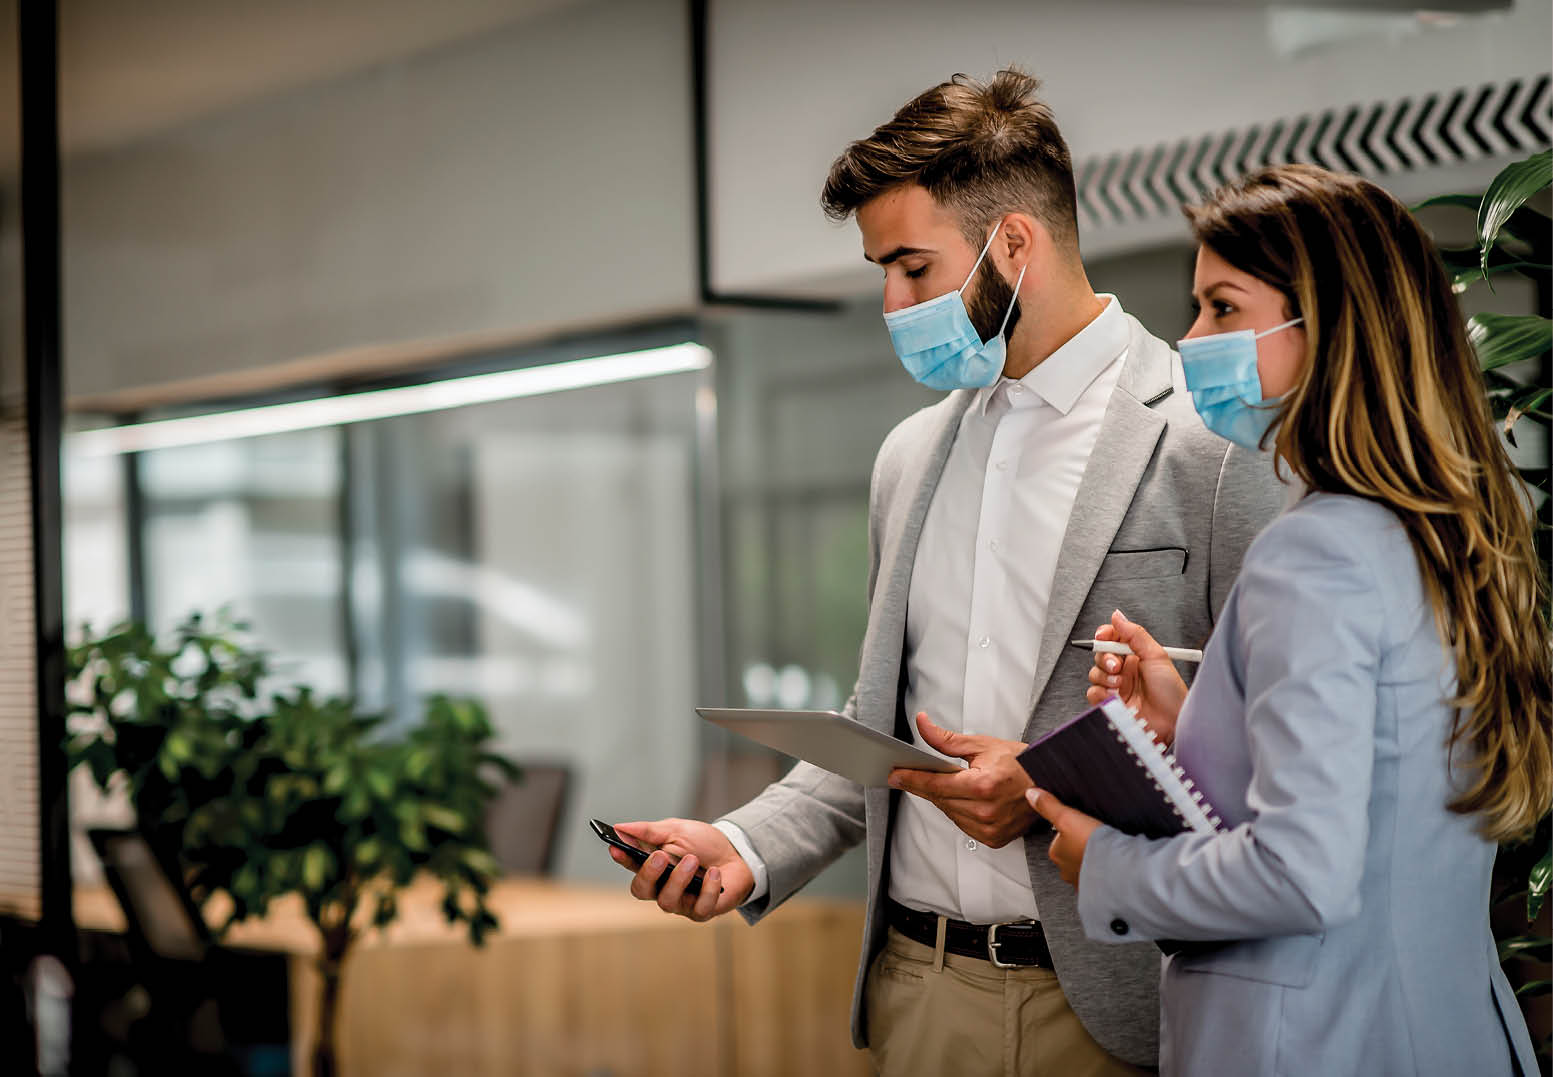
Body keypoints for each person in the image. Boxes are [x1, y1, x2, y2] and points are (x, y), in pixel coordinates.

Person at [610, 69, 1282, 1075]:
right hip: (916, 990)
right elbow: (881, 730)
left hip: (1117, 1002)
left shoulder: (1212, 441)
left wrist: (1052, 786)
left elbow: (1278, 741)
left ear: (1013, 242)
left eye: (913, 268)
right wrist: (741, 847)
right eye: (883, 270)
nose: (891, 302)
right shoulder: (909, 457)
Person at [1030, 163, 1548, 1076]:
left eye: (1222, 308)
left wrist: (1105, 863)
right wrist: (1190, 720)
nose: (1189, 338)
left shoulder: (1313, 550)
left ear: (1328, 323)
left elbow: (1298, 871)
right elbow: (1379, 786)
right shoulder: (1441, 531)